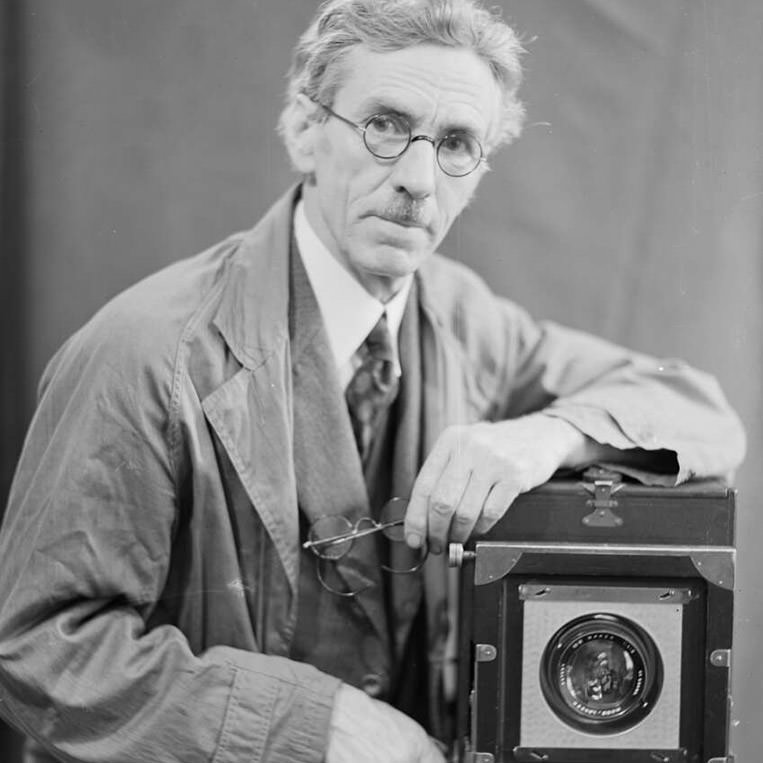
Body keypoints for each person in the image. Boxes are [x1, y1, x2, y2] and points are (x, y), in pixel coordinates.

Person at [0, 1, 745, 762]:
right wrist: (306, 725)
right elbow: (36, 647)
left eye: (455, 143)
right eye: (386, 126)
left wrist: (545, 435)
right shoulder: (145, 352)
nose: (419, 180)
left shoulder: (468, 323)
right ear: (303, 131)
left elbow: (701, 411)